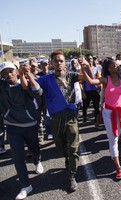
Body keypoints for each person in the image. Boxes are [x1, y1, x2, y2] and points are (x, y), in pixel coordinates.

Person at [80, 46, 121, 179]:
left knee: (120, 132)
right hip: (108, 113)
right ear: (109, 69)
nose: (118, 66)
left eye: (118, 64)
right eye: (115, 65)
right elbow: (91, 81)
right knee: (114, 139)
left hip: (120, 112)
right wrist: (85, 67)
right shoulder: (106, 80)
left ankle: (113, 152)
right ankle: (118, 167)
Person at [24, 50, 83, 192]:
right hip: (56, 118)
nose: (59, 63)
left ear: (65, 63)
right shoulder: (46, 79)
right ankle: (67, 158)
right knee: (60, 145)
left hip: (71, 117)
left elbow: (87, 79)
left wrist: (85, 66)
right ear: (51, 63)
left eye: (61, 61)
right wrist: (27, 75)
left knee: (73, 148)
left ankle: (72, 176)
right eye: (56, 61)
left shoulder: (72, 75)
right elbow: (33, 88)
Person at [0, 61, 43, 200]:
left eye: (11, 71)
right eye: (5, 73)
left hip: (30, 125)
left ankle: (37, 161)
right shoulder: (2, 86)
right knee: (18, 157)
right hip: (12, 127)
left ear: (16, 71)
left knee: (34, 149)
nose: (8, 75)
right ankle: (25, 185)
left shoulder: (24, 84)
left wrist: (28, 74)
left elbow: (38, 92)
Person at [80, 54, 101, 127]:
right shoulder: (83, 70)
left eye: (91, 59)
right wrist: (82, 92)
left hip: (95, 91)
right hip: (87, 91)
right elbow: (81, 83)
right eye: (88, 59)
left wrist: (100, 88)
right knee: (85, 107)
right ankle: (84, 118)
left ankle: (96, 122)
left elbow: (97, 79)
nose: (90, 60)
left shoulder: (96, 69)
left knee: (96, 107)